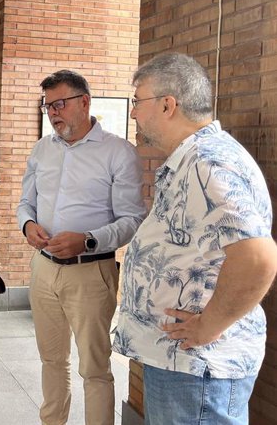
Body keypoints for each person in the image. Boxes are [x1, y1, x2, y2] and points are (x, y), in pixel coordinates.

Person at [113, 53, 277, 425]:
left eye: (138, 101)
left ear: (168, 105)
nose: (135, 113)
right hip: (183, 363)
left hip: (197, 367)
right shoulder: (195, 159)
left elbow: (257, 257)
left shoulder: (207, 162)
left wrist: (209, 325)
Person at [16, 70, 146, 425]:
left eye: (59, 104)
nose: (53, 113)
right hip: (43, 271)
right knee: (51, 360)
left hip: (91, 273)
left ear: (84, 102)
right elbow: (25, 203)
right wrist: (27, 225)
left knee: (95, 368)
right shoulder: (43, 149)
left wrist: (87, 239)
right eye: (48, 107)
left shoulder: (118, 152)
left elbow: (133, 219)